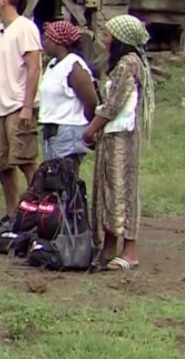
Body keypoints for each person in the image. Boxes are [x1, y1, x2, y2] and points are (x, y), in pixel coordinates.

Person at [83, 14, 155, 272]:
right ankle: (109, 246)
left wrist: (90, 130)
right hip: (112, 135)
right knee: (108, 189)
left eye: (108, 35)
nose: (104, 39)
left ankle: (130, 251)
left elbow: (114, 104)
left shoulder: (128, 64)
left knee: (121, 189)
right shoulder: (121, 64)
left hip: (121, 136)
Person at [0, 0, 42, 217]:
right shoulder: (0, 31)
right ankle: (12, 213)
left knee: (25, 159)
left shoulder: (25, 28)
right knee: (3, 164)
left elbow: (34, 67)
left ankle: (40, 208)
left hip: (18, 105)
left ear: (4, 0)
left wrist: (27, 106)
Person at [37, 21, 97, 168]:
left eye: (47, 39)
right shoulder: (53, 64)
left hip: (68, 130)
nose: (44, 42)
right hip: (51, 129)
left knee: (65, 176)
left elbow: (91, 101)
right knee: (51, 176)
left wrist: (85, 125)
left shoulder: (74, 67)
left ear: (59, 42)